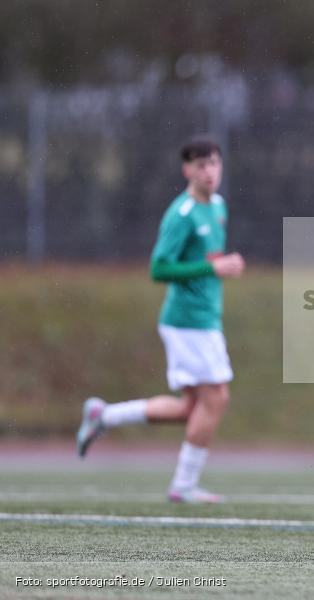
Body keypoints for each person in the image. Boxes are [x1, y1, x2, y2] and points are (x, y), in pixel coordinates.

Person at [76, 137, 245, 504]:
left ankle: (104, 416)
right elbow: (159, 269)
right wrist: (212, 267)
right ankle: (183, 486)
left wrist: (217, 269)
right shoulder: (180, 214)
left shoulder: (217, 207)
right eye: (200, 165)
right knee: (216, 398)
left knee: (191, 408)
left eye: (214, 164)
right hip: (188, 322)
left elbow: (206, 264)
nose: (209, 171)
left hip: (203, 320)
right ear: (187, 170)